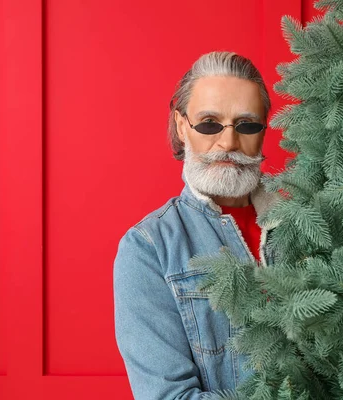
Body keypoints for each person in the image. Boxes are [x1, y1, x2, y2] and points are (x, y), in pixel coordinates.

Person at [113, 51, 282, 400]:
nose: (229, 143)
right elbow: (167, 396)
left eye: (247, 125)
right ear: (181, 126)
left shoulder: (309, 222)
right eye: (209, 124)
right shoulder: (148, 248)